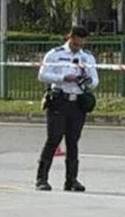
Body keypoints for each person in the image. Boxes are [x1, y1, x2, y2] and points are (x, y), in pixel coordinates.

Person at [35, 26, 99, 192]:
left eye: (81, 44)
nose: (78, 47)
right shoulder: (55, 54)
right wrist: (62, 77)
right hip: (59, 100)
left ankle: (71, 180)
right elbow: (42, 75)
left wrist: (86, 78)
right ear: (70, 37)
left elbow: (95, 81)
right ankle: (41, 179)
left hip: (77, 102)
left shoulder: (87, 57)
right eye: (75, 43)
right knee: (54, 138)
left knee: (73, 141)